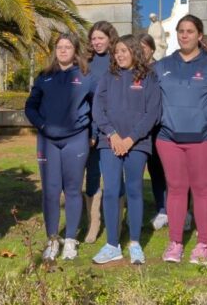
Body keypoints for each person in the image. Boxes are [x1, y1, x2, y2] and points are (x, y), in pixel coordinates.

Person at [154, 15, 207, 266]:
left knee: (202, 189)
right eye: (180, 31)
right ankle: (175, 242)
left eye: (190, 31)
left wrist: (205, 119)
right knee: (175, 189)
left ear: (200, 35)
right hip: (169, 139)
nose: (184, 35)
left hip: (205, 139)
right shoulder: (162, 65)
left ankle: (203, 243)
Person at [25, 33, 96, 262]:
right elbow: (30, 107)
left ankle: (71, 240)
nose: (63, 51)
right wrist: (43, 125)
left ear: (76, 51)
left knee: (73, 190)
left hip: (76, 139)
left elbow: (97, 108)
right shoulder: (44, 77)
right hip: (48, 141)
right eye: (59, 47)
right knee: (51, 191)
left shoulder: (86, 76)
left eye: (68, 47)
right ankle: (53, 240)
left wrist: (92, 134)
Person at [91, 35, 161, 265]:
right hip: (109, 142)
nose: (119, 55)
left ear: (134, 52)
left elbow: (152, 113)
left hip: (137, 144)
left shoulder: (149, 77)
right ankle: (112, 244)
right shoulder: (107, 77)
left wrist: (130, 139)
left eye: (124, 51)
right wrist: (112, 135)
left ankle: (134, 243)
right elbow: (98, 110)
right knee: (111, 190)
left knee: (134, 190)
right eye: (116, 51)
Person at [84, 21, 120, 244]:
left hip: (114, 127)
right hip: (90, 128)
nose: (97, 42)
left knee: (115, 177)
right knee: (92, 175)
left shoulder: (117, 60)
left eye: (101, 38)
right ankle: (93, 223)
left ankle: (117, 220)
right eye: (94, 38)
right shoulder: (86, 63)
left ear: (110, 38)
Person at [138, 34, 168, 230]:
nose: (141, 51)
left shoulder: (160, 68)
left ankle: (176, 209)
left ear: (151, 48)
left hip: (160, 128)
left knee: (168, 171)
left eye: (144, 47)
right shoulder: (134, 71)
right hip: (141, 130)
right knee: (155, 171)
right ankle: (162, 209)